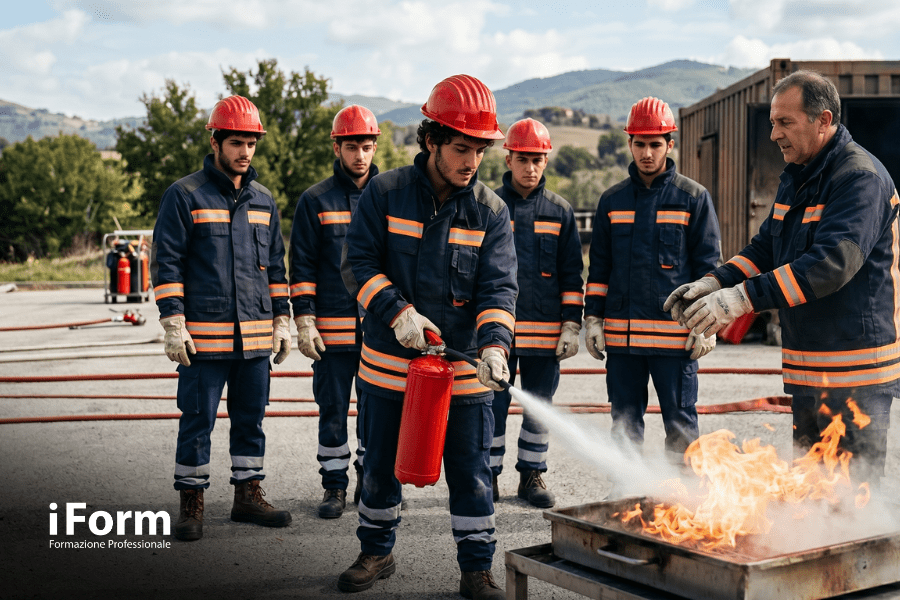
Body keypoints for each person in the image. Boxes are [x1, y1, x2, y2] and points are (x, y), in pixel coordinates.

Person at [666, 71, 898, 486]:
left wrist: (741, 300)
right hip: (811, 370)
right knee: (810, 496)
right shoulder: (799, 175)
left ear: (822, 120)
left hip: (854, 376)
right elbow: (767, 248)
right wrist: (716, 283)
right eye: (773, 122)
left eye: (784, 122)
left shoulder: (859, 178)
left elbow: (831, 265)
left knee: (853, 503)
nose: (774, 134)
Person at [338, 74, 516, 599]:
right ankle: (375, 550)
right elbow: (358, 264)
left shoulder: (491, 212)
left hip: (463, 375)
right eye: (462, 148)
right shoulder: (384, 193)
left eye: (481, 151)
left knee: (472, 472)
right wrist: (396, 313)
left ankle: (476, 568)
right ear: (431, 139)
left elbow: (499, 288)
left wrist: (494, 346)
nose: (472, 162)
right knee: (378, 469)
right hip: (389, 367)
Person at [151, 95, 293, 542]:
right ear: (215, 142)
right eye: (236, 142)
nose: (245, 152)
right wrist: (174, 322)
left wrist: (282, 320)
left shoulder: (264, 200)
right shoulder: (185, 194)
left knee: (251, 418)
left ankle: (247, 494)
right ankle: (192, 502)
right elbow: (167, 262)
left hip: (254, 340)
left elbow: (275, 265)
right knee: (197, 419)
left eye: (251, 143)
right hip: (204, 341)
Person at [585, 97, 721, 465]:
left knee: (680, 423)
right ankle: (626, 495)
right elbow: (599, 270)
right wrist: (593, 319)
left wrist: (707, 326)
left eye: (655, 144)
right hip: (623, 344)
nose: (647, 153)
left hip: (674, 343)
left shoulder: (693, 199)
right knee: (624, 423)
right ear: (629, 143)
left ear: (669, 144)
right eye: (640, 144)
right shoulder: (611, 202)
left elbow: (710, 269)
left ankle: (684, 502)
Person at [290, 105, 380, 520]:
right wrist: (304, 320)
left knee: (376, 412)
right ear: (337, 147)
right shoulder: (315, 200)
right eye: (351, 147)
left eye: (366, 146)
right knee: (332, 410)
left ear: (375, 146)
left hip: (382, 332)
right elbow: (303, 266)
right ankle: (334, 486)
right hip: (331, 333)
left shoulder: (393, 197)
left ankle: (369, 480)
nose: (359, 156)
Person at [488, 118, 583, 508]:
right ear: (508, 158)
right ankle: (486, 476)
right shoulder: (486, 205)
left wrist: (572, 325)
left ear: (546, 162)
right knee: (489, 406)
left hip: (545, 335)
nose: (530, 168)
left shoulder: (560, 212)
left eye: (538, 160)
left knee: (538, 407)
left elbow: (572, 274)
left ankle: (532, 474)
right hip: (495, 334)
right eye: (523, 159)